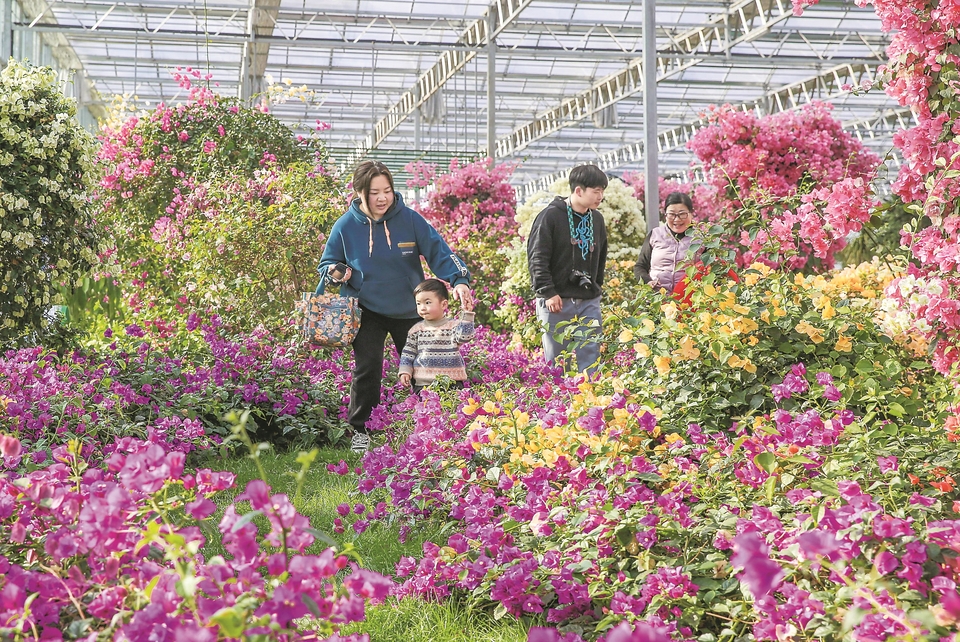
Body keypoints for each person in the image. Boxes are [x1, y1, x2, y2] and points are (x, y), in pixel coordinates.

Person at [317, 161, 473, 452]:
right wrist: (340, 271)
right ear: (360, 192)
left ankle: (431, 427)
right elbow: (327, 264)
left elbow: (439, 252)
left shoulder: (410, 220)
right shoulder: (345, 225)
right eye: (374, 192)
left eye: (387, 191)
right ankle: (361, 430)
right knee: (368, 367)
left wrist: (459, 280)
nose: (381, 198)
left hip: (410, 309)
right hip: (366, 310)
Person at [527, 164, 609, 374]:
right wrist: (547, 291)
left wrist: (596, 287)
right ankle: (557, 402)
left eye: (602, 191)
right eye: (596, 191)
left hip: (588, 298)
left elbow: (600, 257)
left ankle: (591, 400)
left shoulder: (596, 219)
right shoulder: (550, 216)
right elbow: (537, 257)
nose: (600, 196)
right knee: (556, 359)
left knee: (591, 355)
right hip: (557, 300)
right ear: (578, 191)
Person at [398, 279, 476, 394]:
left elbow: (465, 337)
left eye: (428, 302)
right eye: (418, 303)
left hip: (452, 383)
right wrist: (405, 371)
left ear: (443, 304)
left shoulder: (453, 326)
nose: (422, 307)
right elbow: (408, 353)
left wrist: (468, 314)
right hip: (424, 384)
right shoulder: (415, 330)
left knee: (451, 410)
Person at [634, 192, 695, 291]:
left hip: (690, 300)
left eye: (682, 214)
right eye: (671, 214)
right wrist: (648, 282)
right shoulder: (655, 235)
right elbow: (640, 266)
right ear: (665, 214)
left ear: (691, 213)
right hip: (657, 299)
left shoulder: (701, 240)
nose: (677, 219)